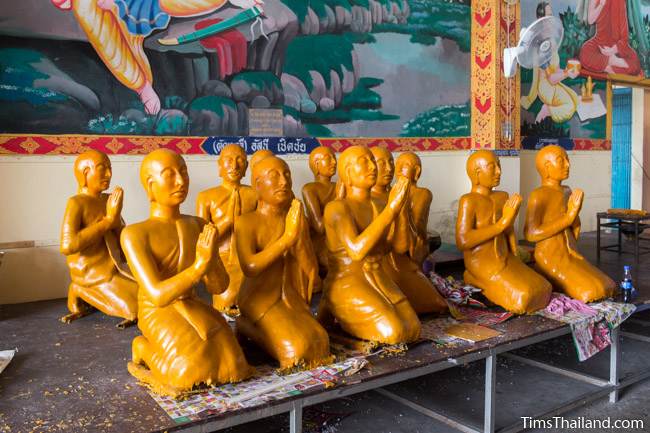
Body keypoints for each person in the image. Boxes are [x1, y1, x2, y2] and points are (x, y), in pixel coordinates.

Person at [121, 149, 252, 396]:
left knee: (233, 364)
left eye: (183, 173)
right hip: (156, 309)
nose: (180, 182)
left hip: (192, 302)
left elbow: (218, 287)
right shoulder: (135, 234)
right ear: (150, 185)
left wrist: (211, 260)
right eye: (169, 175)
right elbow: (158, 295)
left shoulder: (198, 225)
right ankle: (143, 348)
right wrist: (198, 267)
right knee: (188, 374)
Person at [235, 156, 331, 369]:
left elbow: (310, 271)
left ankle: (255, 328)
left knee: (320, 341)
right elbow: (250, 267)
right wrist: (287, 239)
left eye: (286, 175)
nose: (284, 182)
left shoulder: (295, 220)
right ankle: (246, 325)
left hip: (291, 297)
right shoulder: (247, 222)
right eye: (274, 176)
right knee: (296, 351)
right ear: (257, 186)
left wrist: (299, 238)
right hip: (260, 298)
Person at [318, 145, 420, 344]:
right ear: (347, 172)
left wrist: (401, 208)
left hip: (377, 277)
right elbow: (356, 251)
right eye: (364, 162)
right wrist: (391, 210)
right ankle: (334, 307)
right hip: (347, 281)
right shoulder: (337, 208)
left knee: (413, 329)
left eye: (372, 161)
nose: (372, 167)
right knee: (395, 333)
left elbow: (400, 247)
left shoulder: (379, 204)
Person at [456, 150, 551, 314]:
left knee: (544, 287)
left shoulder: (502, 196)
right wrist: (501, 224)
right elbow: (463, 241)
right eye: (492, 167)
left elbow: (508, 230)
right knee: (524, 296)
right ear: (477, 173)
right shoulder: (469, 200)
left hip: (505, 257)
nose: (499, 171)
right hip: (482, 262)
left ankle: (482, 279)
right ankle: (473, 276)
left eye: (499, 165)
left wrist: (514, 251)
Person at [524, 145, 615, 302]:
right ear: (547, 167)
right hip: (551, 257)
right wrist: (568, 217)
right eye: (561, 160)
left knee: (607, 286)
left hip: (570, 253)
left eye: (567, 159)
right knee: (591, 292)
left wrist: (575, 214)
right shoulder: (538, 195)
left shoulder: (567, 190)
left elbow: (573, 226)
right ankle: (544, 271)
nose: (567, 164)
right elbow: (530, 234)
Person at [60, 150, 138, 327]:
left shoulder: (108, 200)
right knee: (136, 309)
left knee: (150, 296)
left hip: (115, 267)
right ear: (86, 173)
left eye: (110, 168)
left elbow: (121, 237)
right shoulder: (76, 203)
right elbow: (67, 246)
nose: (109, 174)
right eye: (103, 169)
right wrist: (108, 221)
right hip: (92, 273)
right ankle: (79, 289)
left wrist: (116, 217)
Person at [196, 144, 257, 314]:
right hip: (221, 261)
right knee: (227, 299)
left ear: (246, 167)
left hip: (249, 258)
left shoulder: (255, 194)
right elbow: (203, 240)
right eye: (228, 160)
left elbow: (262, 228)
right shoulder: (206, 197)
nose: (234, 165)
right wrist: (228, 221)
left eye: (240, 161)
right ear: (220, 166)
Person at [521, 2, 579, 123]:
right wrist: (567, 74)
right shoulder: (542, 45)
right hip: (545, 86)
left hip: (552, 83)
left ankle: (548, 110)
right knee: (569, 107)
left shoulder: (551, 40)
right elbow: (551, 78)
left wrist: (568, 71)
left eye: (551, 15)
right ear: (541, 20)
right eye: (548, 16)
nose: (551, 19)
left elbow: (556, 70)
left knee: (575, 98)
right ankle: (546, 109)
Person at [577, 0, 641, 75]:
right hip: (599, 43)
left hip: (617, 46)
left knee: (635, 63)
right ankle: (612, 64)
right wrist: (601, 4)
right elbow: (590, 20)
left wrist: (614, 49)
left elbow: (624, 36)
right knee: (584, 52)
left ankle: (610, 65)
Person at [302, 146, 337, 275]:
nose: (334, 162)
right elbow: (320, 227)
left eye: (334, 158)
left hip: (341, 238)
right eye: (328, 158)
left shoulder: (339, 186)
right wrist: (339, 199)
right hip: (321, 242)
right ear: (316, 165)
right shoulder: (310, 189)